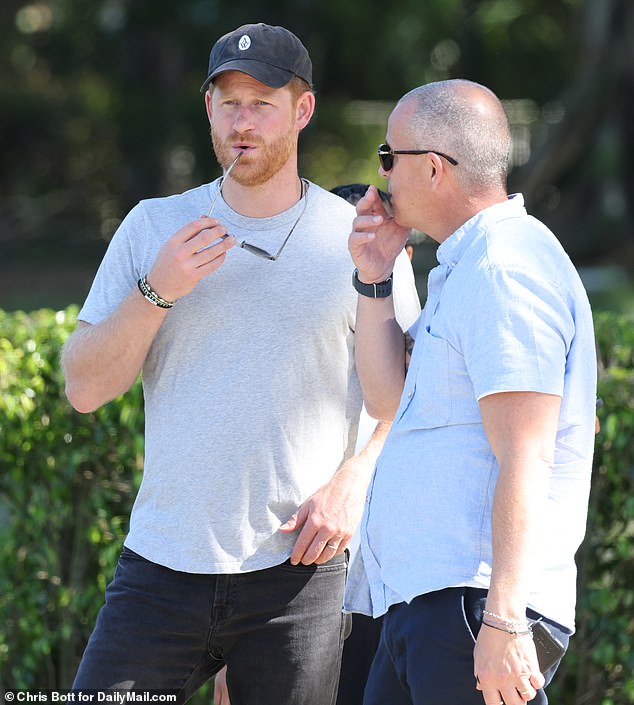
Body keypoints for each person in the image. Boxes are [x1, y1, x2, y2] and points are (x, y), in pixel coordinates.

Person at [61, 23, 420, 705]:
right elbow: (83, 386)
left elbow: (410, 396)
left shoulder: (360, 236)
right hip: (162, 567)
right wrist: (156, 289)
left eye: (261, 102)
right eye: (228, 103)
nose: (242, 121)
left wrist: (355, 480)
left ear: (302, 110)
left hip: (299, 575)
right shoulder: (152, 227)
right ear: (207, 111)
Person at [345, 79, 597, 705]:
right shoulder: (469, 264)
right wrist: (376, 278)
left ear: (432, 167)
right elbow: (389, 402)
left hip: (472, 605)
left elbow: (527, 453)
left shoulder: (504, 268)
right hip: (434, 605)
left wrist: (505, 616)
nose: (380, 175)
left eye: (388, 157)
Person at [211, 183, 420, 705]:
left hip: (388, 583)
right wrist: (233, 655)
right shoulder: (293, 331)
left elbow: (410, 414)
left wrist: (358, 472)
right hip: (302, 568)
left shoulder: (418, 331)